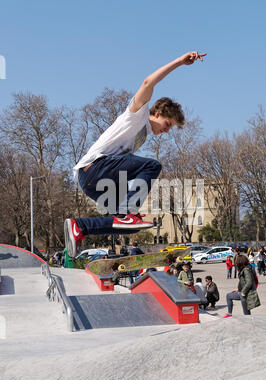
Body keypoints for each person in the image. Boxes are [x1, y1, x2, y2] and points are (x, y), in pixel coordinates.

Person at [64, 51, 207, 258]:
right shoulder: (137, 114)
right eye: (167, 124)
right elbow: (148, 82)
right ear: (157, 113)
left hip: (95, 182)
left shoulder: (143, 135)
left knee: (127, 225)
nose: (166, 131)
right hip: (92, 169)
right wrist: (179, 62)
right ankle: (128, 212)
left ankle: (80, 227)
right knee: (152, 166)